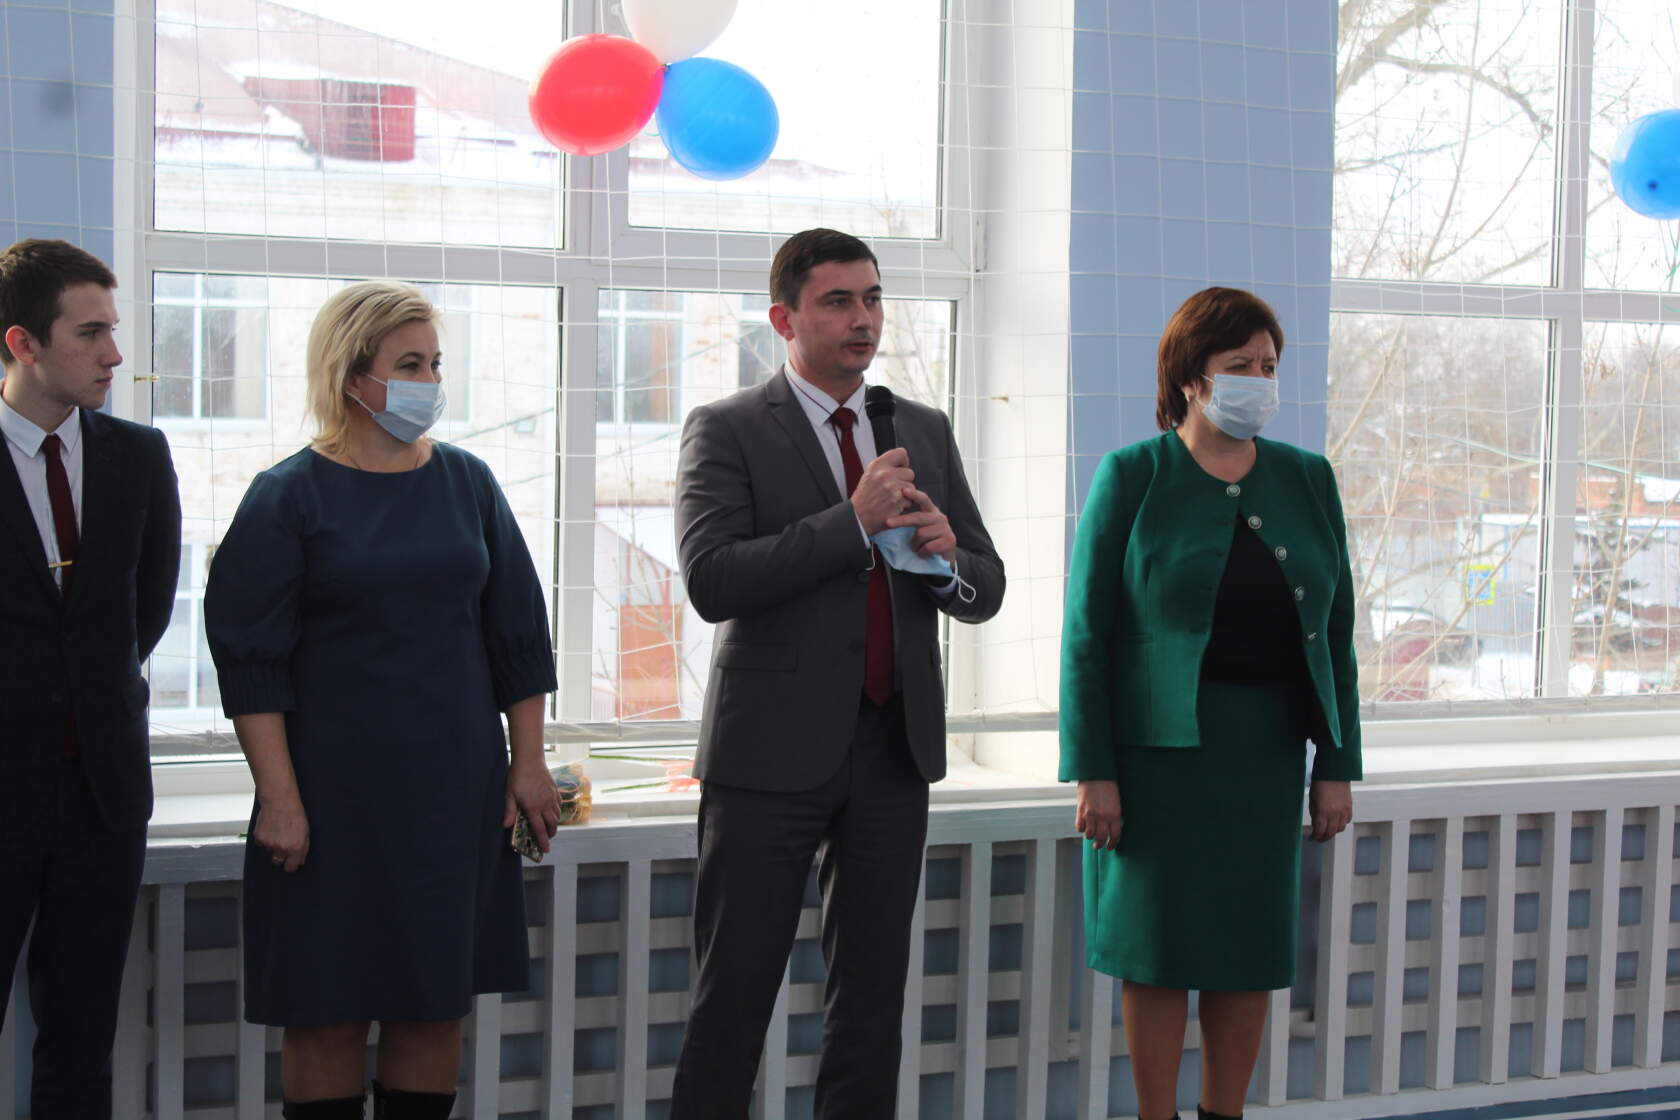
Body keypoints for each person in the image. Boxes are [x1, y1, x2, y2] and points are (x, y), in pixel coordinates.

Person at [203, 282, 562, 1120]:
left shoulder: (468, 482)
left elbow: (517, 634)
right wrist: (279, 799)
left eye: (434, 363)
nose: (429, 382)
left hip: (453, 794)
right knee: (325, 1011)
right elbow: (250, 663)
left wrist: (530, 763)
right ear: (351, 374)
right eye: (409, 365)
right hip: (327, 801)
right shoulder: (287, 495)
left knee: (432, 1006)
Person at [669, 228, 1006, 1118]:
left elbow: (986, 586)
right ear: (784, 319)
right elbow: (712, 580)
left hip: (894, 749)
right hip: (766, 756)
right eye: (838, 301)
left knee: (871, 1004)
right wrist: (851, 522)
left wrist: (947, 561)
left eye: (873, 298)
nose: (864, 319)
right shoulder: (728, 428)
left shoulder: (921, 428)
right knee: (733, 997)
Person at [1059, 287, 1359, 1120]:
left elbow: (1336, 635)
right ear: (1192, 377)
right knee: (1155, 952)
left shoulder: (1308, 478)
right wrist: (1092, 771)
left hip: (1264, 755)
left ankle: (1225, 1114)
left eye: (1268, 366)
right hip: (1152, 762)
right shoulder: (1133, 475)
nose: (1259, 381)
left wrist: (1336, 766)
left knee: (1245, 951)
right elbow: (1086, 636)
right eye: (1240, 366)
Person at [0, 238, 182, 1116]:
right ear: (23, 343)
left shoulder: (137, 457)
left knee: (81, 1049)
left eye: (113, 329)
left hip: (103, 799)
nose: (113, 354)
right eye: (89, 333)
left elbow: (143, 614)